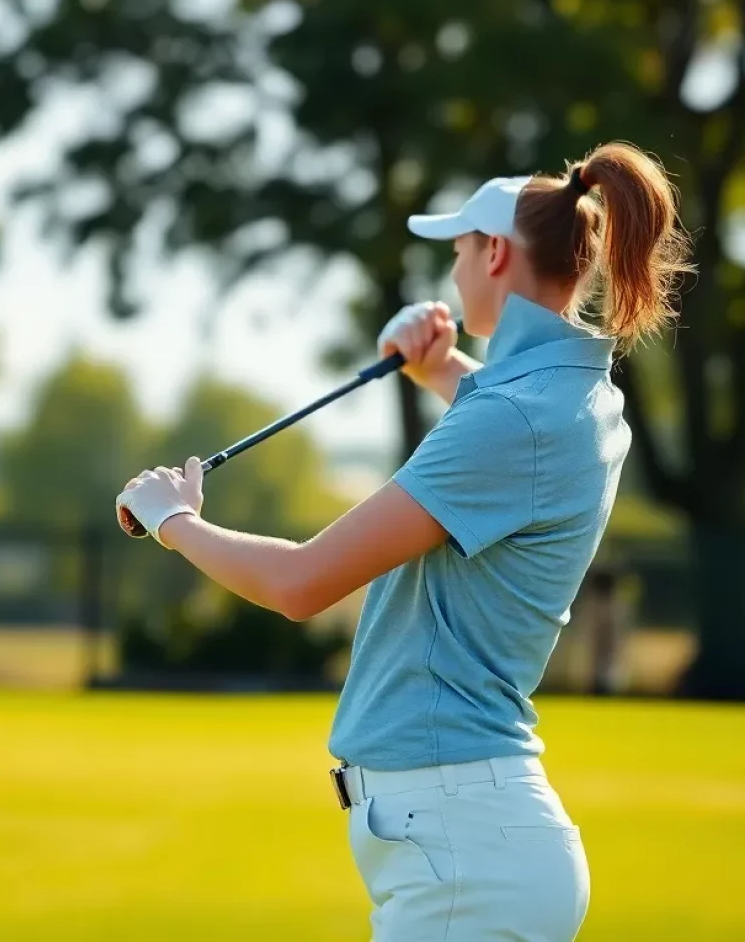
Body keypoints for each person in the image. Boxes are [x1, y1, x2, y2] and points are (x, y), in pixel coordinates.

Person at [115, 141, 693, 941]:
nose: (454, 276)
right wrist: (440, 364)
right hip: (473, 841)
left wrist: (174, 518)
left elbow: (301, 585)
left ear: (493, 253)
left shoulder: (512, 419)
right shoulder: (574, 397)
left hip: (463, 848)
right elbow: (506, 434)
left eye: (458, 252)